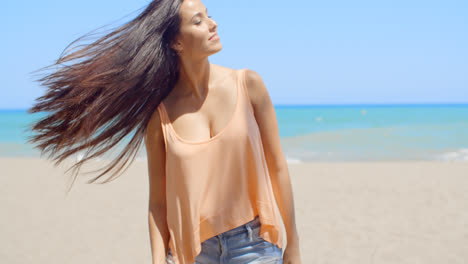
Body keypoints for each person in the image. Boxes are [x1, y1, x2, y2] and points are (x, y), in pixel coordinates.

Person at [27, 0, 301, 263]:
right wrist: (158, 260)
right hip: (193, 253)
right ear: (176, 42)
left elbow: (277, 167)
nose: (212, 24)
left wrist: (294, 245)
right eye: (198, 21)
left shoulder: (249, 85)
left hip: (253, 245)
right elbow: (158, 203)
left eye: (209, 14)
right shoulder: (161, 116)